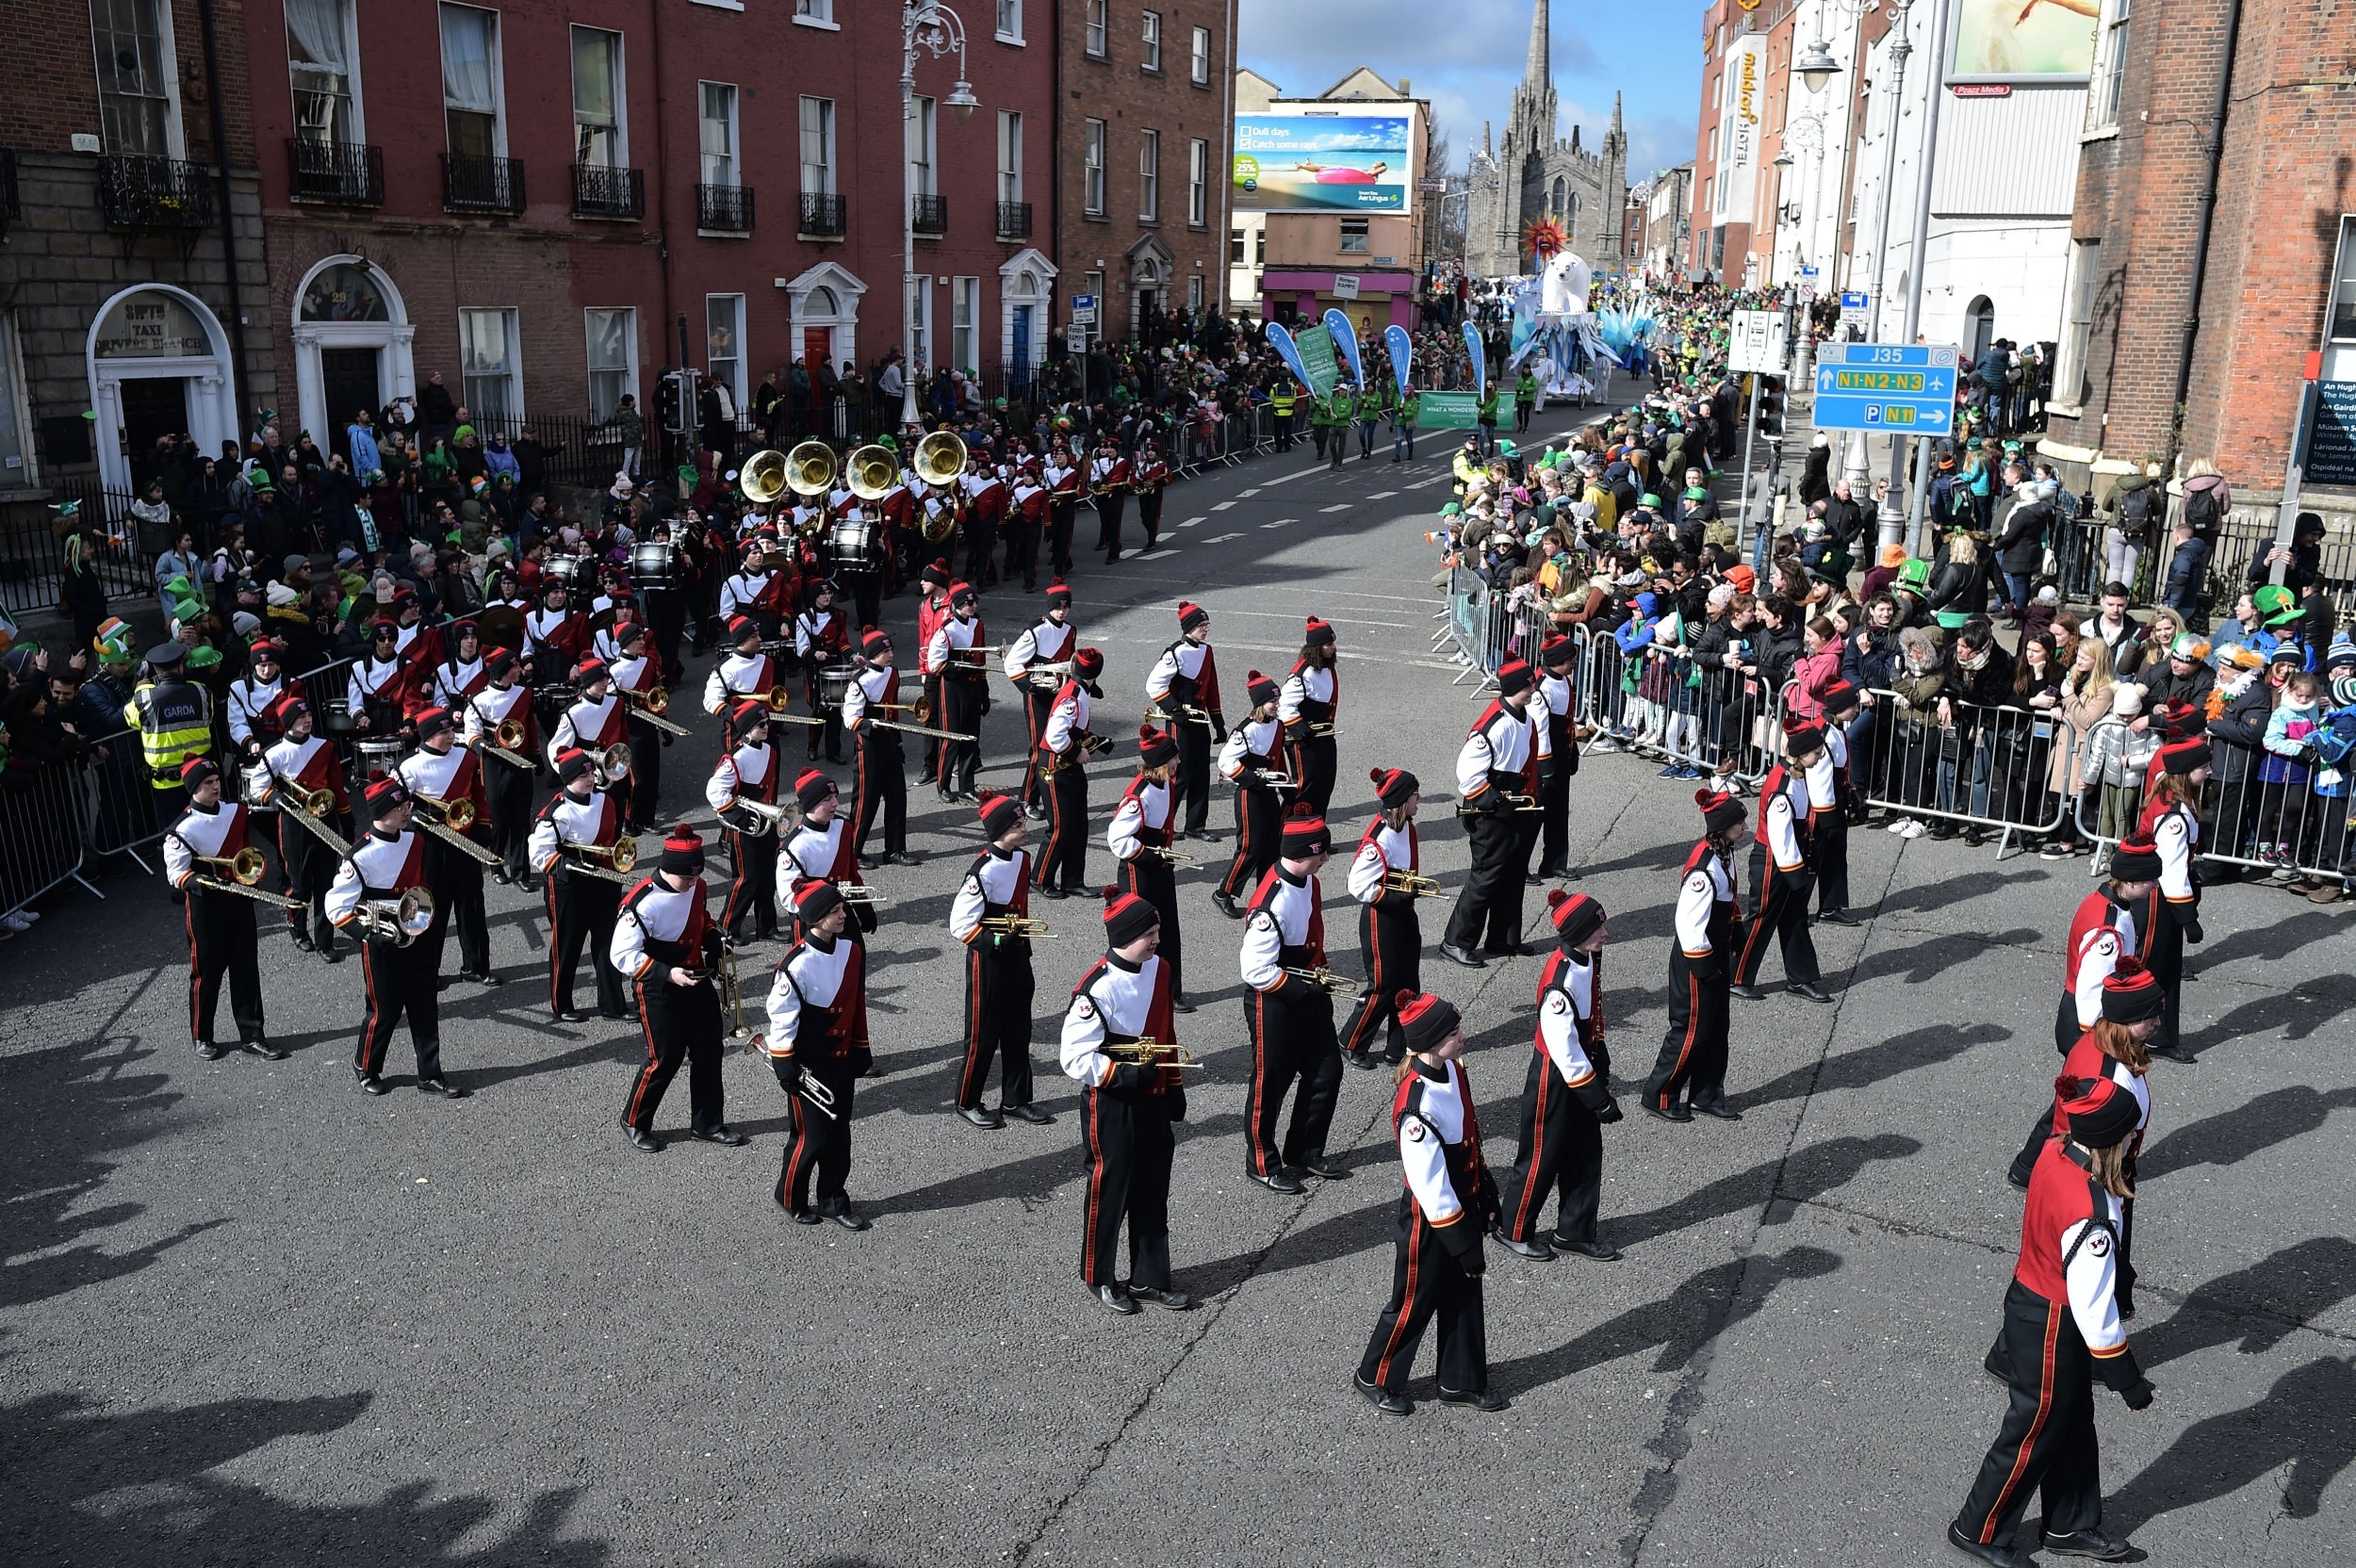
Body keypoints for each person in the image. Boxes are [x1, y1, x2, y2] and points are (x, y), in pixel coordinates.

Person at [1948, 1075, 2152, 1568]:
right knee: (2033, 1430)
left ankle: (2071, 1523)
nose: (2133, 1139)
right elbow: (2094, 1310)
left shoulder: (2058, 1149)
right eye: (2129, 1132)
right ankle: (1978, 1528)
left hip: (2031, 1299)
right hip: (2052, 1322)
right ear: (2115, 1139)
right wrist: (2129, 1381)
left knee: (2072, 1419)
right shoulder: (2093, 1211)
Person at [1351, 988, 1504, 1415]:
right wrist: (1464, 1244)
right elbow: (1431, 1187)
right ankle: (1375, 1375)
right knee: (1414, 1300)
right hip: (1432, 1219)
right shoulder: (1416, 1108)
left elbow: (1470, 1137)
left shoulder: (1454, 1070)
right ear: (1432, 1042)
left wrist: (1487, 1194)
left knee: (1464, 1293)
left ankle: (1460, 1380)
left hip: (1463, 1201)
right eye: (1456, 1032)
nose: (1464, 1036)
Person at [1058, 885, 1191, 1316]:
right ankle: (1099, 1277)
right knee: (1110, 1192)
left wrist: (1173, 1087)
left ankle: (1150, 1278)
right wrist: (1130, 1074)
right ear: (1123, 938)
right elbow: (1075, 1059)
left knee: (1153, 1192)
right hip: (1112, 1104)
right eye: (1149, 933)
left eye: (1157, 931)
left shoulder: (1161, 969)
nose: (1157, 939)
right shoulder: (1095, 990)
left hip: (1151, 1098)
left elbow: (1167, 1033)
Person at [2006, 837, 2158, 1187]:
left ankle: (2033, 1167)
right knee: (2075, 1107)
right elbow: (2092, 993)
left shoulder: (2105, 903)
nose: (2154, 886)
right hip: (2085, 1025)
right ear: (2132, 880)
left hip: (2078, 1016)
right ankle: (2035, 1168)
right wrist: (2102, 1041)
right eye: (2150, 879)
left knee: (2076, 1103)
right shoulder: (2108, 927)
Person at [1496, 890, 1622, 1263]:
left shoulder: (1586, 957)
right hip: (1555, 1079)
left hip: (1582, 1065)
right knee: (1541, 1156)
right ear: (1579, 932)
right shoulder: (1560, 984)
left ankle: (1575, 1231)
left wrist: (1601, 1055)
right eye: (1598, 927)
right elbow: (1563, 1051)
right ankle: (1514, 1228)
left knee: (1584, 1153)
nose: (1606, 933)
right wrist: (1597, 1098)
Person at [327, 776, 465, 1098]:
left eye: (407, 805)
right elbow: (336, 906)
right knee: (384, 1011)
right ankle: (367, 1066)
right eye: (400, 807)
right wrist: (368, 935)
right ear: (382, 812)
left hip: (419, 937)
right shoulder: (359, 857)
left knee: (425, 1007)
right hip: (382, 943)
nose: (407, 811)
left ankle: (430, 1074)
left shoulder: (416, 841)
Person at [614, 825, 746, 1152]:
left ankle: (707, 1123)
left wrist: (714, 937)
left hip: (695, 979)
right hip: (659, 987)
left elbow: (701, 919)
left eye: (695, 878)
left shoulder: (696, 885)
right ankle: (635, 1120)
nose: (692, 884)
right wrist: (667, 973)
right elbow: (622, 955)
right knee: (665, 1059)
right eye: (686, 878)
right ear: (667, 869)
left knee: (709, 1051)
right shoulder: (642, 904)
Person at [1238, 806, 1349, 1195]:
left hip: (1307, 989)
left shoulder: (1309, 882)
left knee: (1327, 1071)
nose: (1327, 858)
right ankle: (1262, 1162)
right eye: (1322, 852)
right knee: (1271, 1084)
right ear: (1306, 852)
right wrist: (1303, 989)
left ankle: (1304, 1149)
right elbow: (1254, 970)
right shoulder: (1272, 904)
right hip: (1276, 1001)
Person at [763, 881, 874, 1230]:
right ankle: (790, 1196)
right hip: (808, 1062)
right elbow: (782, 1019)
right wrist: (785, 1067)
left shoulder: (851, 950)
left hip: (840, 1059)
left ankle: (833, 1199)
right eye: (835, 911)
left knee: (840, 1135)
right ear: (815, 919)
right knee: (811, 1137)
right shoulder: (795, 966)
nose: (844, 915)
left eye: (842, 909)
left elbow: (856, 1006)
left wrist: (860, 1051)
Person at [159, 759, 282, 1061]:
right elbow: (176, 874)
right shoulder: (180, 830)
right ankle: (203, 1036)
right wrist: (205, 881)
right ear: (193, 790)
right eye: (207, 784)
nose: (215, 787)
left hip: (239, 901)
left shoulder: (236, 812)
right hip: (206, 908)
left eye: (216, 781)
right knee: (207, 973)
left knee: (246, 970)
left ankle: (253, 1035)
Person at [1644, 787, 1746, 1121]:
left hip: (1713, 955)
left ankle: (1706, 1094)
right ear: (1723, 826)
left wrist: (1735, 932)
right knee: (1691, 1030)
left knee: (1717, 1027)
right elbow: (1688, 925)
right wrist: (1705, 968)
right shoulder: (1703, 870)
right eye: (1739, 823)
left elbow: (1727, 902)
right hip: (1696, 961)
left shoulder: (1724, 853)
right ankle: (1658, 1095)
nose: (1744, 828)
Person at [949, 792, 1053, 1128]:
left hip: (1018, 954)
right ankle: (967, 1101)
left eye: (1023, 824)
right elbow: (960, 924)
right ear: (1000, 830)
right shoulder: (982, 872)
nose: (1025, 830)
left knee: (1019, 1029)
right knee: (983, 1035)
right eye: (1018, 825)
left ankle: (1015, 1099)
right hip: (988, 961)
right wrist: (994, 939)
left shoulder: (1022, 859)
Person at [1440, 658, 1546, 969]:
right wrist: (1496, 800)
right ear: (1515, 687)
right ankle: (1455, 942)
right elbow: (1468, 773)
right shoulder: (1493, 725)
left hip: (1512, 805)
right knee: (1486, 877)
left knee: (1512, 874)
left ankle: (1502, 939)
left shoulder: (1522, 715)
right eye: (1529, 684)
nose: (1533, 688)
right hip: (1491, 810)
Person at [395, 706, 499, 985]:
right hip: (429, 847)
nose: (451, 736)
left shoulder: (465, 757)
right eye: (444, 733)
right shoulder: (408, 766)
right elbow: (398, 808)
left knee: (472, 907)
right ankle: (429, 972)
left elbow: (478, 795)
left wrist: (484, 832)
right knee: (432, 912)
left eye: (452, 730)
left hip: (464, 842)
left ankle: (477, 966)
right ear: (427, 736)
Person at [1730, 724, 1833, 1003]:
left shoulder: (1796, 777)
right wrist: (1796, 874)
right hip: (1773, 864)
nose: (1821, 756)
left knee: (1795, 919)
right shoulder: (1783, 786)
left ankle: (1800, 979)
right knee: (1761, 919)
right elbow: (1780, 837)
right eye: (1815, 752)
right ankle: (1736, 977)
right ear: (1799, 754)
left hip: (1788, 861)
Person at [529, 748, 632, 1023]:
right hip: (569, 888)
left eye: (591, 773)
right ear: (568, 779)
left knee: (608, 944)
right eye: (583, 775)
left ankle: (613, 1004)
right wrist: (567, 866)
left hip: (605, 881)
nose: (590, 778)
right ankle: (561, 1004)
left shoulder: (606, 801)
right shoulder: (556, 811)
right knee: (567, 947)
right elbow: (538, 852)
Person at [1338, 765, 1426, 1070]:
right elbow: (1357, 884)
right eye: (1415, 795)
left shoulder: (1406, 826)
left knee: (1408, 981)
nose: (1419, 800)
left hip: (1403, 912)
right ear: (1403, 799)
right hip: (1381, 917)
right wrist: (1395, 897)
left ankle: (1397, 1047)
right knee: (1383, 985)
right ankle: (1351, 1041)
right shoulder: (1381, 838)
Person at [259, 694, 351, 962]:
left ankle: (325, 941)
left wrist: (347, 821)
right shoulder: (273, 753)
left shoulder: (325, 747)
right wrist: (276, 797)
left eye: (308, 715)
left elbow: (336, 786)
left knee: (325, 883)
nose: (307, 720)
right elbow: (257, 786)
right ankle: (298, 928)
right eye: (300, 717)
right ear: (288, 723)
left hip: (325, 818)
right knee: (299, 885)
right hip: (294, 824)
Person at [1107, 726, 1190, 1010]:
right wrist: (1150, 856)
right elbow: (1117, 840)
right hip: (1140, 871)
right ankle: (1138, 991)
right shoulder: (1139, 796)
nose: (1178, 762)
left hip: (1159, 865)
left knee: (1167, 928)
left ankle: (1169, 990)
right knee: (1141, 931)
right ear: (1160, 762)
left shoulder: (1165, 782)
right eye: (1173, 758)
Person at [2139, 739, 2208, 1064]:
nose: (2209, 771)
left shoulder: (2170, 793)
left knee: (2161, 969)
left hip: (2159, 895)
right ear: (2185, 772)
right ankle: (2140, 1035)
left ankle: (2160, 1034)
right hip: (2160, 900)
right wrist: (2187, 916)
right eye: (2203, 766)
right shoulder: (2176, 814)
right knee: (2155, 969)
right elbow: (2171, 868)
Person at [1144, 600, 1225, 839]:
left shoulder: (1207, 650)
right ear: (1189, 627)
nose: (1206, 628)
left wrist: (1218, 723)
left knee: (1201, 774)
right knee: (1180, 776)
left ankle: (1195, 826)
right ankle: (1165, 825)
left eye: (1207, 624)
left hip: (1199, 722)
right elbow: (1154, 684)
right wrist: (1174, 710)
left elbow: (1212, 689)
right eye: (1202, 625)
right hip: (1181, 722)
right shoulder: (1175, 652)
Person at [709, 701, 785, 946]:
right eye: (760, 725)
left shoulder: (771, 750)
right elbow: (715, 791)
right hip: (745, 828)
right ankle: (729, 926)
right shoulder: (735, 757)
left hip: (767, 825)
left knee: (767, 876)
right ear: (747, 728)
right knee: (747, 878)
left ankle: (767, 925)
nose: (766, 728)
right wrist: (739, 817)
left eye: (767, 723)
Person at [1033, 646, 1106, 897]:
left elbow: (1074, 730)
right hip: (1056, 765)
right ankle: (1040, 878)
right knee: (1061, 827)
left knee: (1078, 825)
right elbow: (1055, 737)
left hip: (1067, 766)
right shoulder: (1072, 696)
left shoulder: (1079, 691)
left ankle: (1073, 880)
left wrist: (1096, 741)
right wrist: (1077, 752)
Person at [1213, 669, 1286, 919]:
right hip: (1249, 795)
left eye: (1278, 700)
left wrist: (1288, 789)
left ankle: (1264, 896)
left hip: (1269, 793)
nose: (1277, 705)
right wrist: (1252, 779)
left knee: (1271, 848)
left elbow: (1278, 759)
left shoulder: (1278, 725)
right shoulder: (1246, 730)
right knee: (1250, 848)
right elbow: (1225, 761)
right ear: (1259, 704)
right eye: (1272, 701)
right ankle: (1224, 893)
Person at [463, 649, 538, 887]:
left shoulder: (524, 694)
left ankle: (520, 872)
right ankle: (496, 864)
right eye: (515, 668)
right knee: (498, 820)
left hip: (521, 763)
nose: (520, 670)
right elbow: (471, 733)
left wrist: (537, 757)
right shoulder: (478, 699)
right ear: (503, 672)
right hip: (494, 765)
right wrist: (485, 744)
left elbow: (530, 727)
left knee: (521, 820)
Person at [1006, 580, 1079, 819]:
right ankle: (1027, 799)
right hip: (1037, 695)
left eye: (1065, 607)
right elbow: (1012, 663)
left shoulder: (1070, 630)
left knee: (1055, 746)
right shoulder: (1035, 630)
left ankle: (1050, 796)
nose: (1062, 611)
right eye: (1057, 606)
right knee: (1039, 750)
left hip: (1059, 693)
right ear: (1050, 606)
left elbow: (1070, 663)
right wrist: (1031, 686)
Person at [841, 628, 912, 866]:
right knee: (865, 801)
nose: (890, 654)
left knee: (897, 797)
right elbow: (850, 718)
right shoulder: (860, 680)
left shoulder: (893, 674)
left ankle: (894, 849)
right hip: (869, 744)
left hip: (890, 740)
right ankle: (853, 851)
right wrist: (872, 723)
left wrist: (899, 741)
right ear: (872, 655)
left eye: (890, 649)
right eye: (884, 651)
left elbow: (893, 709)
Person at [126, 642, 213, 826]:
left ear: (154, 670)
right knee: (207, 828)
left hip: (167, 783)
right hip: (202, 775)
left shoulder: (145, 698)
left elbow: (130, 718)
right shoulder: (201, 691)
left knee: (176, 834)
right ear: (181, 666)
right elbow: (209, 717)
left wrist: (140, 689)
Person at [924, 581, 990, 801]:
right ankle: (943, 785)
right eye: (968, 602)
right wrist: (959, 668)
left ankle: (967, 786)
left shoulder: (978, 625)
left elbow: (981, 660)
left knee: (972, 737)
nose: (973, 606)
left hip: (972, 686)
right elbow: (935, 663)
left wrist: (984, 689)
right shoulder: (947, 629)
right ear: (958, 605)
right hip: (953, 688)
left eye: (975, 602)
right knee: (952, 738)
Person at [548, 659, 634, 825]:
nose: (606, 682)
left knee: (615, 818)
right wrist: (572, 777)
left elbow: (623, 739)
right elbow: (557, 749)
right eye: (600, 679)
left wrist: (623, 764)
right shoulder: (574, 712)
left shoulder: (616, 702)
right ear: (588, 682)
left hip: (615, 770)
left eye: (607, 678)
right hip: (590, 776)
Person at [1278, 617, 1341, 815]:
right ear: (1316, 647)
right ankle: (1285, 837)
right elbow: (1284, 704)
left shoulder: (1326, 667)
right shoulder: (1302, 675)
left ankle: (1315, 836)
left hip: (1324, 739)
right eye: (1329, 644)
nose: (1333, 648)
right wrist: (1301, 730)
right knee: (1304, 789)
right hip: (1305, 742)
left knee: (1324, 786)